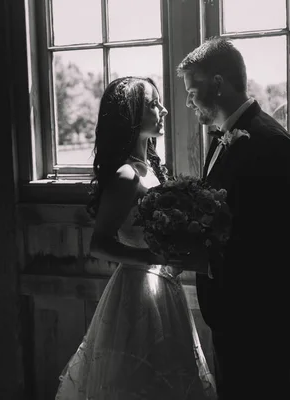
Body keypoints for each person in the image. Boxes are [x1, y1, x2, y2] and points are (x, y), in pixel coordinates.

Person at [54, 76, 217, 400]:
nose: (164, 110)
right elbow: (99, 243)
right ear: (130, 116)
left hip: (164, 291)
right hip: (136, 291)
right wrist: (152, 259)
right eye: (153, 104)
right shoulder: (125, 175)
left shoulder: (151, 168)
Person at [177, 37, 290, 399]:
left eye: (193, 90)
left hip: (258, 315)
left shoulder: (271, 142)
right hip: (228, 313)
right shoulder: (219, 138)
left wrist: (213, 251)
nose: (188, 100)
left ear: (218, 84)